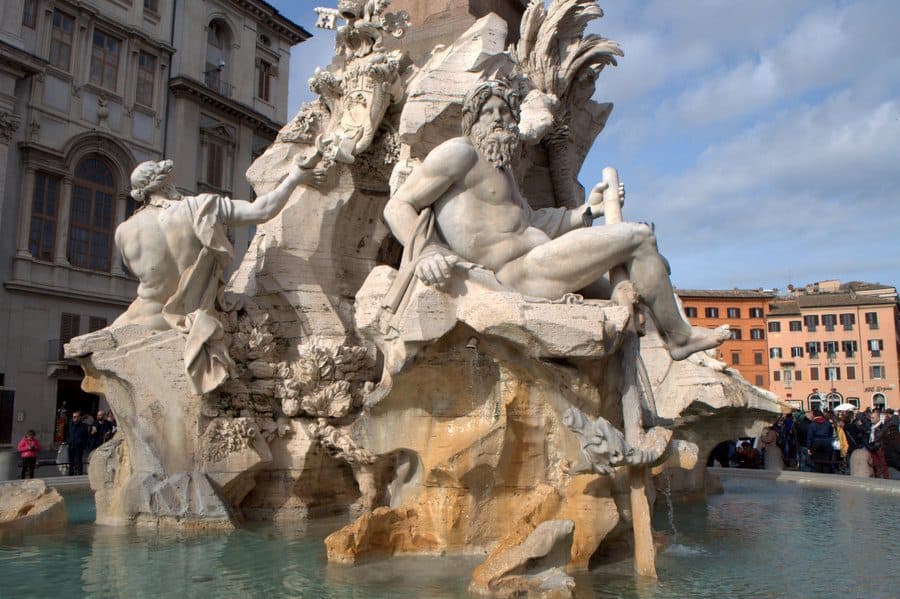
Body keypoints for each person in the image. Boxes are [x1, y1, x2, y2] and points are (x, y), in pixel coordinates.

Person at [383, 80, 730, 362]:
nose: (498, 118)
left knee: (642, 295)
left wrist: (588, 211)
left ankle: (664, 349)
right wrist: (426, 251)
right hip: (518, 273)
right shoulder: (460, 154)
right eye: (488, 112)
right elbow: (398, 205)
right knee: (639, 237)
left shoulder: (503, 171)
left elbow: (532, 222)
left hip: (541, 261)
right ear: (471, 122)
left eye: (504, 111)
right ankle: (681, 339)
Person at [112, 156, 322, 393]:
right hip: (195, 316)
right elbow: (262, 210)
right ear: (166, 182)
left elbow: (138, 272)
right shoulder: (200, 207)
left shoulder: (124, 231)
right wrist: (296, 176)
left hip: (145, 320)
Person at [806, 408, 835, 473]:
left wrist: (808, 447)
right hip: (827, 442)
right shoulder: (828, 423)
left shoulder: (812, 424)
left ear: (814, 415)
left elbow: (810, 436)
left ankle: (818, 476)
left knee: (817, 462)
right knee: (826, 462)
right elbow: (831, 434)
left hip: (816, 443)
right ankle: (826, 475)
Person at [867, 408, 889, 479]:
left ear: (878, 418)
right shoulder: (872, 427)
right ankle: (877, 478)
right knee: (875, 464)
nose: (871, 419)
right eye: (871, 417)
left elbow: (883, 438)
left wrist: (879, 445)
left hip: (880, 448)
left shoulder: (881, 427)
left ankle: (886, 479)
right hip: (872, 447)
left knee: (883, 464)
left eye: (873, 418)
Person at [67, 411, 89, 476]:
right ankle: (70, 473)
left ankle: (79, 474)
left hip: (79, 447)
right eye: (74, 417)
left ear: (79, 417)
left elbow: (86, 436)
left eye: (76, 417)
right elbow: (68, 434)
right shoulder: (70, 425)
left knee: (78, 460)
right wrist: (68, 441)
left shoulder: (83, 426)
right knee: (70, 461)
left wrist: (82, 444)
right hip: (71, 446)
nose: (74, 418)